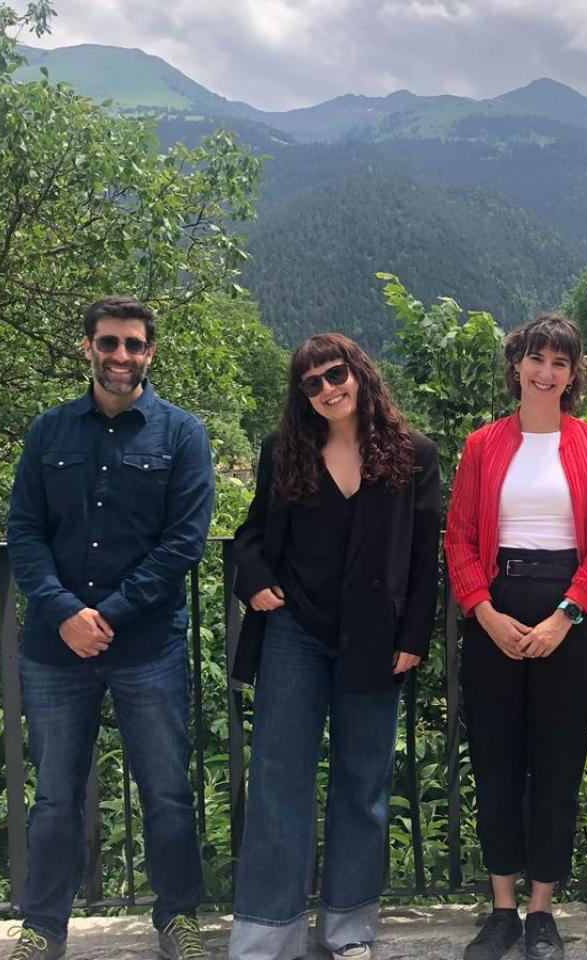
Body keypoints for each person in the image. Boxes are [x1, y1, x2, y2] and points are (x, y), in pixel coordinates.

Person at [5, 296, 215, 960]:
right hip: (54, 647)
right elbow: (24, 532)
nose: (120, 356)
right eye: (108, 343)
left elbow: (183, 545)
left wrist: (108, 615)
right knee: (55, 797)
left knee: (167, 792)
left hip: (148, 647)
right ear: (88, 348)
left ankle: (178, 918)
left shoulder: (182, 435)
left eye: (132, 344)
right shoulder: (48, 432)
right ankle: (42, 928)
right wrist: (65, 612)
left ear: (149, 352)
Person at [227, 333, 442, 960]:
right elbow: (252, 533)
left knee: (363, 784)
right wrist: (255, 580)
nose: (327, 388)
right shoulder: (283, 450)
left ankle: (349, 928)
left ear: (359, 373)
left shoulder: (413, 453)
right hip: (294, 631)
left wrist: (413, 637)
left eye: (336, 374)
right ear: (302, 394)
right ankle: (267, 936)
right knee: (278, 781)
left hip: (376, 638)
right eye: (312, 382)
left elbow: (424, 557)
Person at [445, 314, 587, 960]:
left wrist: (565, 615)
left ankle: (543, 911)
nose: (545, 372)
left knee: (557, 767)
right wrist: (483, 612)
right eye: (536, 358)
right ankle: (502, 910)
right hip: (495, 611)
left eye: (559, 362)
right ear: (516, 364)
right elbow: (459, 538)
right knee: (495, 764)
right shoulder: (482, 445)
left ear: (573, 375)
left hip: (569, 617)